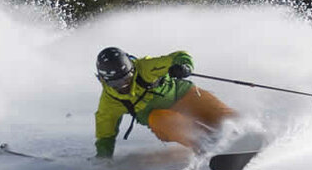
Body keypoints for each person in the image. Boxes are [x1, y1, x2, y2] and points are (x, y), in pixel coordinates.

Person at [92, 47, 238, 160]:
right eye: (116, 83)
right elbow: (105, 133)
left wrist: (183, 66)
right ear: (104, 80)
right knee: (159, 118)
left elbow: (179, 56)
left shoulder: (146, 67)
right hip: (164, 120)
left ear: (132, 69)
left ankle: (245, 131)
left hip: (185, 96)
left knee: (223, 117)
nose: (124, 85)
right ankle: (205, 145)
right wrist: (104, 158)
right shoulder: (110, 101)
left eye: (127, 78)